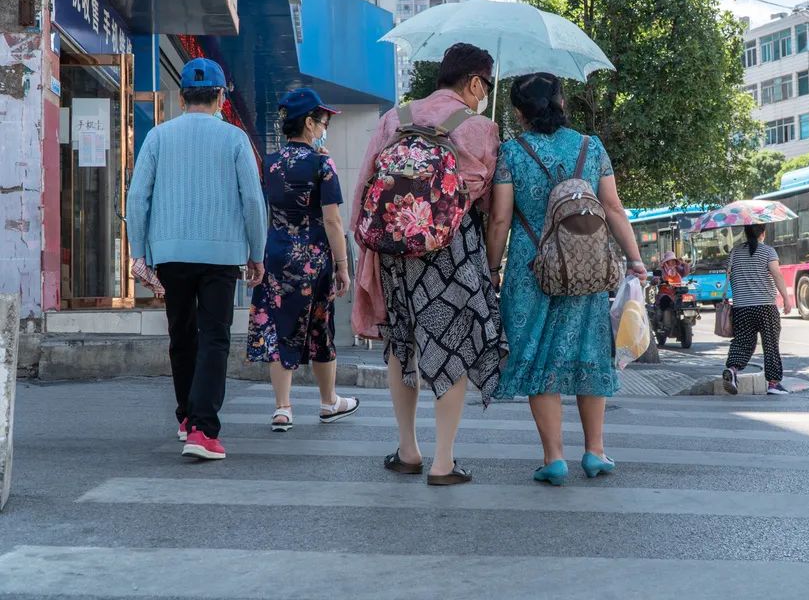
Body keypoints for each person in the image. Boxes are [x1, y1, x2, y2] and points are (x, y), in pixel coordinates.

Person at [351, 43, 504, 486]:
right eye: (485, 86)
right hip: (450, 253)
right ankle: (443, 460)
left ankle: (407, 449)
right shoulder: (480, 127)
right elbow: (488, 203)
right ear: (474, 82)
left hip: (395, 253)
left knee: (403, 346)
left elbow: (365, 187)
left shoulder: (394, 119)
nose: (483, 95)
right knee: (450, 346)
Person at [485, 73, 648, 486]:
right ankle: (594, 452)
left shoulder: (511, 151)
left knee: (539, 358)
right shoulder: (591, 147)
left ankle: (553, 458)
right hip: (586, 267)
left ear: (518, 111)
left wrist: (490, 267)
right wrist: (634, 259)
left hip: (531, 268)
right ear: (560, 103)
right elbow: (612, 207)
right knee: (590, 353)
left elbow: (501, 217)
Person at [126, 58, 268, 460]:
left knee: (182, 335)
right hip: (222, 255)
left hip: (170, 254)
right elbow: (252, 203)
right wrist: (255, 254)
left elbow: (138, 198)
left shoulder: (158, 136)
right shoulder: (235, 139)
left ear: (183, 96)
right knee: (215, 336)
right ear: (221, 97)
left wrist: (140, 253)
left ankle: (187, 417)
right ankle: (203, 430)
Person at [247, 88, 360, 431]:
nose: (325, 126)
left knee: (281, 325)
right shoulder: (322, 164)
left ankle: (283, 408)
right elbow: (332, 220)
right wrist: (342, 266)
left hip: (278, 254)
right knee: (320, 325)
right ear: (310, 123)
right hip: (314, 260)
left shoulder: (270, 162)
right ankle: (328, 402)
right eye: (323, 121)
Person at [721, 223, 792, 397]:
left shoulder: (735, 252)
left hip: (742, 307)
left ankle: (732, 369)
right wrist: (786, 298)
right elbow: (777, 274)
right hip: (765, 307)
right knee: (770, 345)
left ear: (745, 233)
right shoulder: (768, 251)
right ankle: (774, 384)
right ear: (763, 233)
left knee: (742, 342)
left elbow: (728, 273)